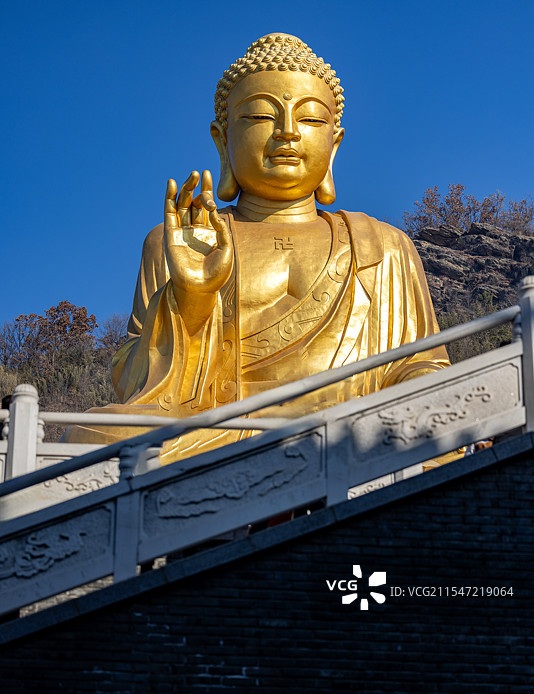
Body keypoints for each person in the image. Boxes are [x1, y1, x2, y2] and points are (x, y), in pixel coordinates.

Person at [64, 33, 450, 464]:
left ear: (334, 143)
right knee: (92, 433)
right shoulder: (184, 239)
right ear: (221, 139)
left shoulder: (382, 245)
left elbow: (421, 369)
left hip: (345, 432)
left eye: (310, 120)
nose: (287, 132)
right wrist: (190, 299)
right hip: (217, 435)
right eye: (262, 116)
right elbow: (132, 383)